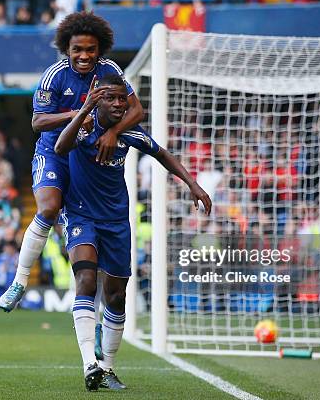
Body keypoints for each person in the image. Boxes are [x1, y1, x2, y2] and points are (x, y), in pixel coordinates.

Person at [54, 74, 212, 391]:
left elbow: (162, 153)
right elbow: (60, 146)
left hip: (116, 221)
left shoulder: (129, 134)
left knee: (116, 295)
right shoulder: (83, 127)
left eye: (121, 99)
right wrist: (84, 109)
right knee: (85, 280)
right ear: (98, 98)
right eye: (110, 98)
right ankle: (89, 365)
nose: (117, 103)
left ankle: (108, 368)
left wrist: (192, 183)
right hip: (81, 214)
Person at [0, 12, 144, 317]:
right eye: (77, 49)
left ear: (100, 49)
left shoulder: (110, 70)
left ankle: (108, 314)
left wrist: (114, 132)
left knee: (100, 237)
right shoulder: (54, 76)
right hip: (55, 152)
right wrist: (80, 112)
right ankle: (20, 281)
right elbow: (38, 122)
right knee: (49, 208)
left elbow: (136, 110)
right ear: (67, 48)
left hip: (89, 154)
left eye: (90, 49)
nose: (84, 55)